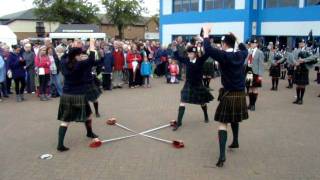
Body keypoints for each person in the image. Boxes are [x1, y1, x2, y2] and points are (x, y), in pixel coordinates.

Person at [202, 24, 249, 168]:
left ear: (223, 44)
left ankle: (222, 155)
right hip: (240, 93)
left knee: (223, 124)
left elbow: (208, 49)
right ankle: (235, 141)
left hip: (228, 93)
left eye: (221, 44)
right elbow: (245, 48)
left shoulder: (223, 55)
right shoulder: (241, 55)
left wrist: (206, 33)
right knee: (235, 118)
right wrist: (237, 38)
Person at [57, 39, 100, 152]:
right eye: (80, 54)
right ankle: (89, 132)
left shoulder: (63, 62)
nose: (81, 56)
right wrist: (91, 47)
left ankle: (60, 144)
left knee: (65, 120)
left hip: (66, 94)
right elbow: (91, 59)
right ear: (76, 56)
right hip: (79, 94)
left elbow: (64, 56)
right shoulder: (81, 64)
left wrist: (72, 49)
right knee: (89, 115)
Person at [171, 41, 213, 131]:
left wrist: (205, 41)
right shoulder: (186, 59)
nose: (190, 55)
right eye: (189, 53)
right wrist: (174, 48)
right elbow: (177, 57)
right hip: (188, 84)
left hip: (198, 84)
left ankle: (205, 115)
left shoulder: (200, 60)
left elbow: (208, 52)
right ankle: (179, 122)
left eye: (192, 53)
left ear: (195, 53)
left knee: (202, 102)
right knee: (182, 101)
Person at [292, 39, 318, 105]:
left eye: (302, 42)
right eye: (300, 43)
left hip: (304, 69)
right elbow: (293, 58)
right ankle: (297, 98)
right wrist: (295, 63)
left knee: (302, 85)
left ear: (304, 43)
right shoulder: (296, 50)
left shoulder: (308, 50)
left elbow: (314, 57)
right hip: (297, 68)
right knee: (298, 85)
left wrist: (304, 60)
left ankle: (301, 99)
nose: (301, 44)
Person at [245, 39, 265, 111]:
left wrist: (260, 75)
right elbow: (246, 62)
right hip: (249, 72)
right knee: (249, 89)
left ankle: (253, 105)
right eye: (251, 43)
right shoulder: (249, 51)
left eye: (254, 43)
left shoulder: (260, 52)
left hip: (256, 73)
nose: (252, 44)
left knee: (255, 89)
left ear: (257, 44)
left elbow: (261, 64)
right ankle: (250, 104)